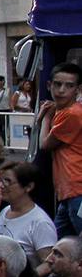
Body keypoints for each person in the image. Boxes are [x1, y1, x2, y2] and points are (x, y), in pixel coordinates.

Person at [0, 161, 57, 277]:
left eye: (7, 181)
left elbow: (49, 263)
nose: (0, 185)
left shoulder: (40, 222)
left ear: (28, 187)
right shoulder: (5, 211)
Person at [39, 62, 82, 238]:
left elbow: (45, 144)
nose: (61, 90)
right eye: (57, 84)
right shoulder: (65, 111)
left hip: (77, 189)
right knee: (59, 246)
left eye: (69, 86)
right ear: (49, 85)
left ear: (78, 89)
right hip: (69, 191)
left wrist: (45, 118)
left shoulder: (72, 114)